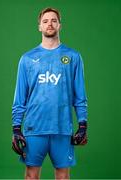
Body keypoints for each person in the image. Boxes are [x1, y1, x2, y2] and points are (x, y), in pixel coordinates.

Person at [12, 7, 88, 180]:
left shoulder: (73, 56)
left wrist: (83, 124)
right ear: (39, 26)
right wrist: (16, 128)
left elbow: (80, 95)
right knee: (31, 176)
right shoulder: (27, 59)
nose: (50, 24)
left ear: (60, 25)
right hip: (34, 128)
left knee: (62, 177)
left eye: (54, 20)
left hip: (62, 128)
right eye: (45, 21)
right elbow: (20, 98)